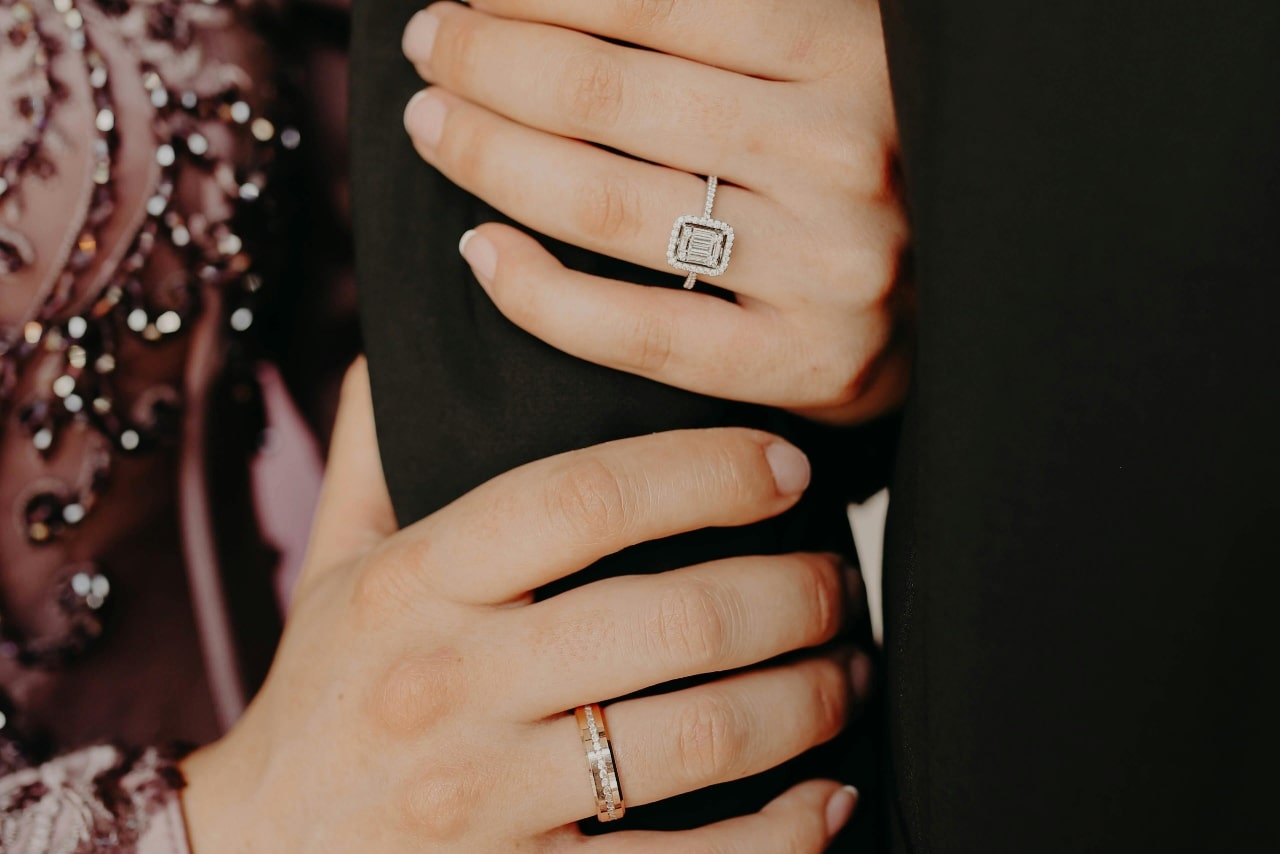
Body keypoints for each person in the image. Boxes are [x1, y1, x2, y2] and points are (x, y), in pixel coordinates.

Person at [1, 0, 904, 849]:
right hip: (332, 811)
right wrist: (236, 823)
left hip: (475, 763)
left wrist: (822, 305)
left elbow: (428, 273)